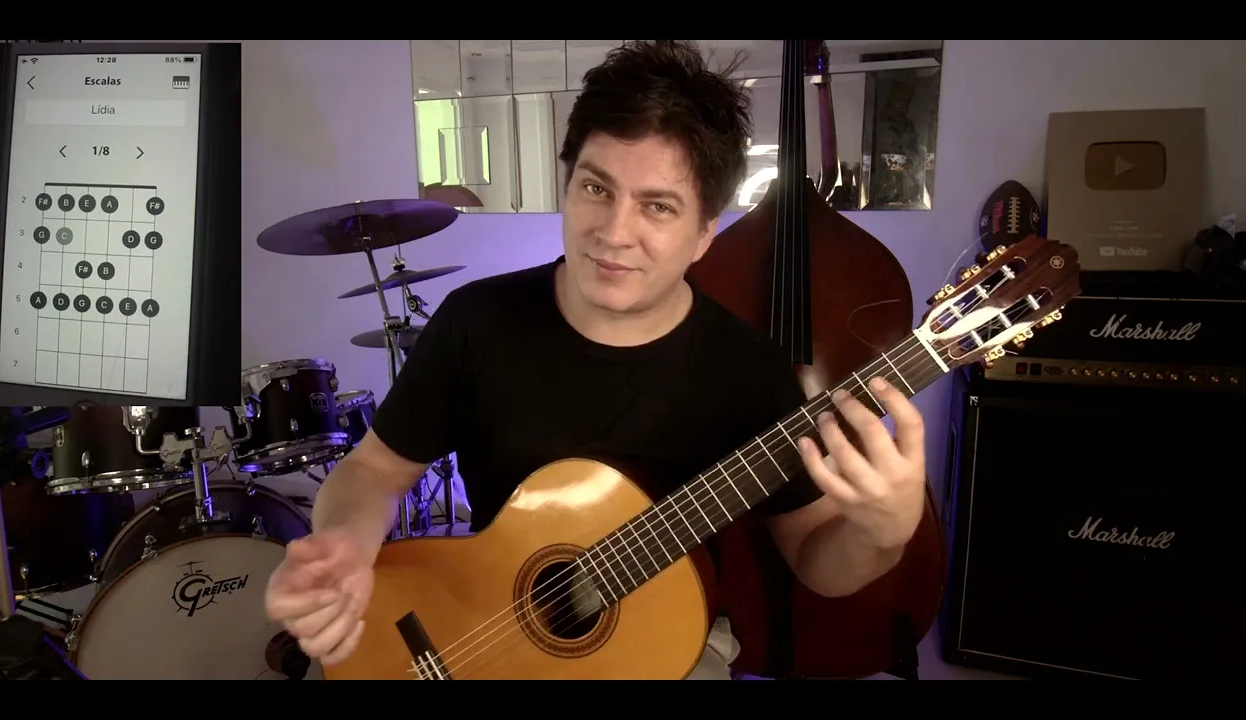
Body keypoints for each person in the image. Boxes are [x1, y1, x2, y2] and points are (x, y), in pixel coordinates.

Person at [264, 40, 928, 680]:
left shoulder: (747, 369)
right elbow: (374, 470)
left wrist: (882, 535)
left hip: (669, 644)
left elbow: (817, 560)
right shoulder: (476, 321)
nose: (613, 233)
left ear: (704, 234)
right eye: (596, 188)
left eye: (658, 206)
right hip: (478, 628)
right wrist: (345, 542)